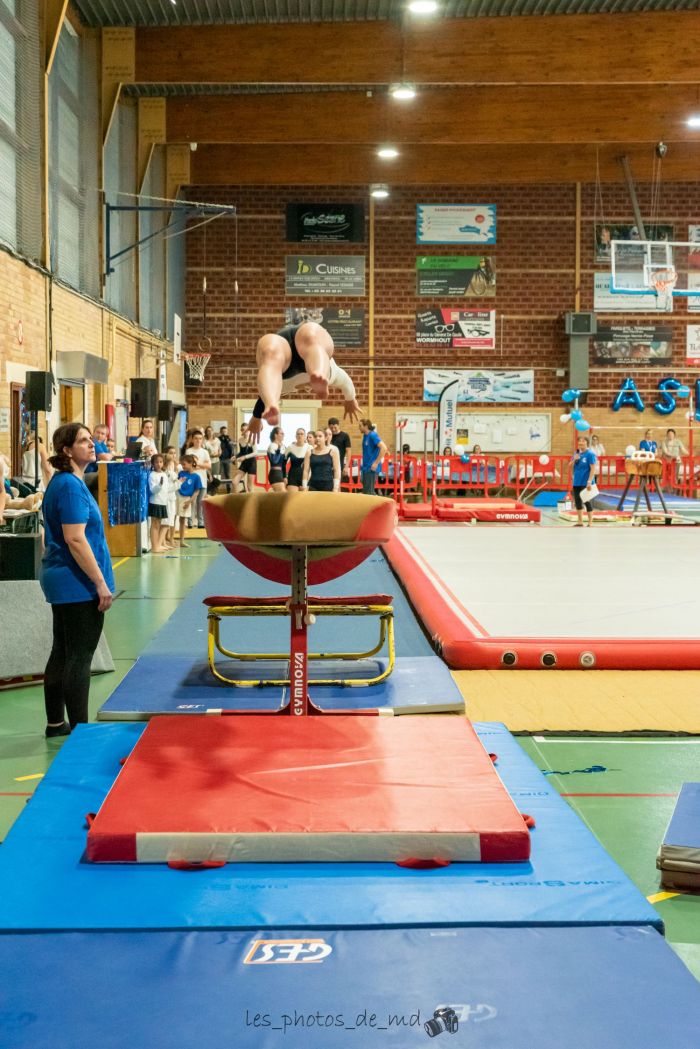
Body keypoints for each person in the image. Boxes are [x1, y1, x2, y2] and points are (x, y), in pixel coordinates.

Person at [39, 423, 115, 737]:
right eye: (84, 441)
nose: (92, 444)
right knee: (80, 657)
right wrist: (99, 582)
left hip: (62, 578)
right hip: (76, 583)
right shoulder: (70, 486)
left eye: (91, 439)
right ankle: (81, 731)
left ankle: (56, 723)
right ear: (67, 450)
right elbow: (75, 539)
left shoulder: (63, 482)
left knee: (62, 651)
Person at [246, 321, 360, 437]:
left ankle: (271, 402)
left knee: (270, 355)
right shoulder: (331, 374)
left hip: (281, 349)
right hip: (308, 347)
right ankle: (318, 371)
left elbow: (262, 398)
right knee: (312, 338)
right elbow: (346, 382)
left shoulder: (281, 386)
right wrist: (350, 399)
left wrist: (257, 416)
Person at [184, 429, 211, 526]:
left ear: (202, 440)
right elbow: (188, 466)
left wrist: (197, 464)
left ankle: (201, 522)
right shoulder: (189, 451)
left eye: (200, 438)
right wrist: (201, 465)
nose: (198, 440)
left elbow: (209, 466)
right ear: (192, 439)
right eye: (196, 438)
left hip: (202, 479)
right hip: (191, 480)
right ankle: (190, 522)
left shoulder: (205, 452)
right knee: (192, 501)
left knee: (201, 502)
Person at [176, 455, 204, 547]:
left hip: (186, 498)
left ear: (191, 463)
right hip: (177, 496)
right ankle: (170, 539)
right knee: (173, 517)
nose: (182, 466)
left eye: (184, 464)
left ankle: (182, 540)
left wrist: (190, 501)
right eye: (181, 464)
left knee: (182, 519)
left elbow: (197, 491)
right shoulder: (181, 473)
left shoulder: (196, 477)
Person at [571, 435, 597, 527]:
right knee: (578, 501)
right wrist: (575, 459)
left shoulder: (590, 454)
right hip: (577, 481)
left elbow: (593, 468)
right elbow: (570, 465)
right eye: (579, 441)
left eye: (583, 441)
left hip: (585, 482)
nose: (581, 443)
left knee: (586, 501)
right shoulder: (576, 453)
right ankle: (580, 521)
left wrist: (589, 481)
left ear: (587, 443)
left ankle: (590, 522)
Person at [147, 453, 171, 553]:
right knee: (155, 524)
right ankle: (154, 547)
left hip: (162, 502)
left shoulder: (164, 474)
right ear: (153, 463)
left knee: (159, 524)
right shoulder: (152, 475)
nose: (159, 464)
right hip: (155, 501)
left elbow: (167, 489)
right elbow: (153, 490)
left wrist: (179, 483)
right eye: (156, 462)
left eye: (161, 462)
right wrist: (159, 485)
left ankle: (157, 545)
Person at [360, 419, 387, 495]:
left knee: (369, 492)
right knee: (366, 491)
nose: (359, 428)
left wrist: (376, 463)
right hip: (366, 467)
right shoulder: (365, 436)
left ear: (366, 426)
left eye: (360, 426)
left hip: (371, 467)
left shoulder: (372, 435)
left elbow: (384, 448)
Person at [233, 424, 257, 493]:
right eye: (243, 430)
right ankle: (237, 498)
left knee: (249, 487)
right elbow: (242, 452)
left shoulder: (252, 439)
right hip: (244, 463)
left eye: (247, 430)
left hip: (251, 463)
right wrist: (235, 456)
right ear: (241, 430)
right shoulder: (240, 440)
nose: (245, 431)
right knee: (234, 482)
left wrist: (245, 457)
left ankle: (252, 499)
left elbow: (255, 453)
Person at [285, 427, 308, 492]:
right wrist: (284, 477)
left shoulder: (309, 447)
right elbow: (283, 463)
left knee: (304, 497)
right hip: (292, 476)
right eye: (298, 434)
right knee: (292, 496)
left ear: (305, 436)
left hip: (305, 477)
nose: (300, 435)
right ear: (295, 436)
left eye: (302, 434)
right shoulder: (290, 447)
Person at [267, 426, 287, 492]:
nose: (283, 435)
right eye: (281, 433)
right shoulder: (272, 445)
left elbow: (284, 464)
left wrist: (285, 476)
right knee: (283, 494)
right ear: (276, 435)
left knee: (282, 495)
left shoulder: (283, 447)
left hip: (281, 473)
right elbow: (274, 461)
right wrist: (278, 449)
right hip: (275, 473)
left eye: (283, 433)